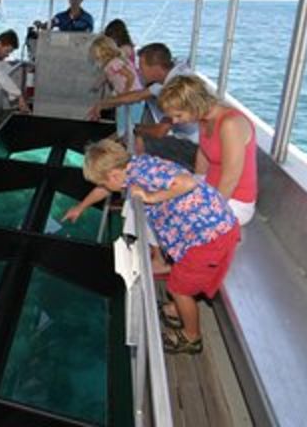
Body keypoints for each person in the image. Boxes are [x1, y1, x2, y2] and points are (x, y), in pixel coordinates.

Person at [82, 139, 240, 355]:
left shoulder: (144, 174)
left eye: (103, 183)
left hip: (209, 238)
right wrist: (80, 207)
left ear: (113, 176)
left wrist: (150, 197)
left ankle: (191, 338)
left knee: (178, 288)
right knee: (182, 282)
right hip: (206, 232)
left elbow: (187, 183)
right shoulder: (134, 166)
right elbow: (105, 189)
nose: (104, 187)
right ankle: (176, 310)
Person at [159, 75, 258, 225]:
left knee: (174, 220)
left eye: (178, 115)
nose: (174, 121)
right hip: (210, 190)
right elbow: (203, 154)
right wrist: (195, 182)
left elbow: (230, 179)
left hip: (234, 200)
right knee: (158, 200)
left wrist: (210, 210)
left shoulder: (230, 124)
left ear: (194, 105)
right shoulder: (203, 119)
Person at [87, 42, 198, 171]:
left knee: (140, 140)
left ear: (155, 67)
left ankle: (135, 179)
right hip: (188, 141)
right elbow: (136, 95)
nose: (139, 71)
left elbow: (160, 131)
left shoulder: (175, 86)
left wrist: (137, 129)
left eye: (141, 66)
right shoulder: (170, 78)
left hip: (193, 146)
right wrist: (102, 104)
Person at [87, 35, 145, 139]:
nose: (95, 56)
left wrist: (125, 92)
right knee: (123, 125)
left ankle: (126, 141)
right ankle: (120, 137)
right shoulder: (111, 64)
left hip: (132, 97)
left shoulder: (115, 62)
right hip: (124, 97)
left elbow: (130, 76)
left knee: (131, 126)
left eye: (96, 53)